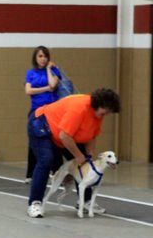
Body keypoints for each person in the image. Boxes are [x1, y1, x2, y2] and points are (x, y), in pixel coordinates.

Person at [27, 88, 121, 218]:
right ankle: (35, 202)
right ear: (99, 104)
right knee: (46, 159)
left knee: (85, 164)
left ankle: (85, 201)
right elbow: (64, 136)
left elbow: (92, 136)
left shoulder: (98, 115)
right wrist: (78, 155)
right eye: (106, 111)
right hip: (42, 124)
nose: (107, 115)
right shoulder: (79, 108)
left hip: (63, 135)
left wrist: (89, 154)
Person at [24, 46, 62, 182]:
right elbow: (28, 91)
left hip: (52, 110)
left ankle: (56, 172)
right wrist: (46, 89)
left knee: (55, 139)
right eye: (40, 56)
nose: (43, 59)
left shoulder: (53, 71)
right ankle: (30, 174)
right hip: (37, 110)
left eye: (45, 56)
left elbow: (53, 84)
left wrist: (48, 70)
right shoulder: (30, 73)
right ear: (35, 58)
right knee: (34, 140)